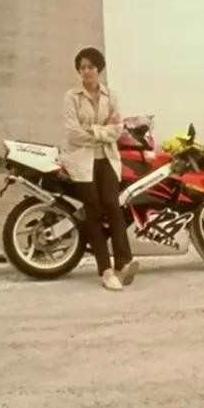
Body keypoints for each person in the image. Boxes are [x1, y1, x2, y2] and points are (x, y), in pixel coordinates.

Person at [60, 46, 140, 291]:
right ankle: (105, 270)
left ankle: (123, 263)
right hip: (81, 161)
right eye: (82, 68)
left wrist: (93, 131)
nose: (87, 71)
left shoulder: (110, 95)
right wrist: (102, 131)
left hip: (107, 158)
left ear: (99, 69)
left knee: (113, 206)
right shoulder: (71, 97)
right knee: (93, 210)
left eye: (91, 67)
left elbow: (118, 129)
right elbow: (72, 134)